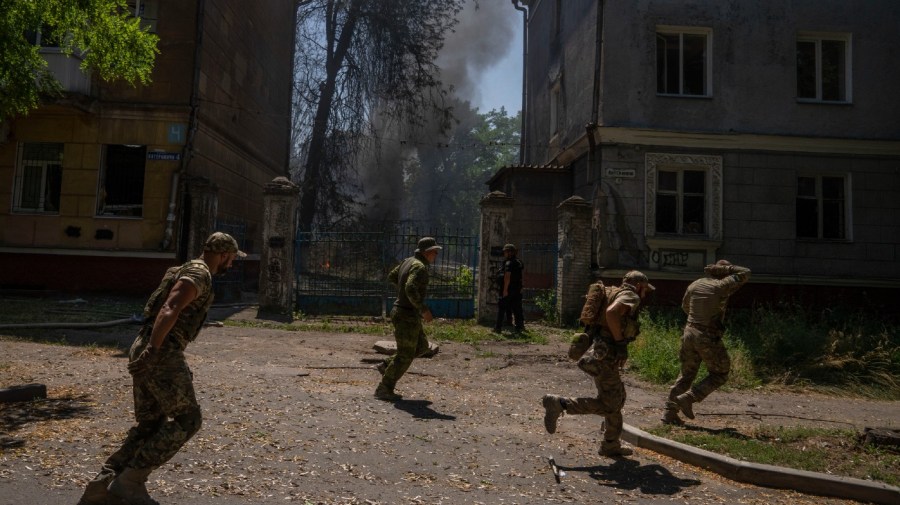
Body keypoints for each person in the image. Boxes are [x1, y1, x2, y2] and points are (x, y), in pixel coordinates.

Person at [77, 232, 245, 505]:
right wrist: (154, 352)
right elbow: (170, 308)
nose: (233, 264)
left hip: (150, 345)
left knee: (150, 424)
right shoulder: (199, 274)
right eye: (233, 258)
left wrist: (150, 350)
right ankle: (130, 482)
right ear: (224, 255)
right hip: (161, 350)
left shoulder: (187, 267)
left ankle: (102, 484)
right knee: (188, 420)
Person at [541, 271, 655, 457]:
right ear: (640, 285)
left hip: (598, 351)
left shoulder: (611, 292)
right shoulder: (630, 295)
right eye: (645, 290)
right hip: (606, 355)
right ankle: (560, 404)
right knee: (610, 404)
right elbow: (611, 313)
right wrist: (620, 344)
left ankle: (611, 445)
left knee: (617, 398)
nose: (644, 294)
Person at [662, 260, 751, 425]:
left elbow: (685, 306)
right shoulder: (722, 285)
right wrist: (727, 268)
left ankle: (669, 413)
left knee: (686, 374)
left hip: (689, 332)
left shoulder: (695, 284)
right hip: (707, 335)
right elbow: (745, 272)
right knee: (720, 373)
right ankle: (689, 398)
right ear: (723, 273)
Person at [374, 237, 441, 401]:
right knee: (405, 355)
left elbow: (392, 276)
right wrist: (423, 309)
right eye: (434, 252)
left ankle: (387, 365)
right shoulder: (420, 267)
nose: (436, 255)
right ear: (427, 252)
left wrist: (403, 292)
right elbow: (410, 287)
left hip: (404, 312)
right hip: (406, 314)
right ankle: (384, 388)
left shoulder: (408, 261)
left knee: (422, 346)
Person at [494, 243, 525, 333]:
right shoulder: (519, 262)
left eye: (505, 252)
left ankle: (498, 328)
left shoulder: (509, 263)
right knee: (517, 308)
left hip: (509, 288)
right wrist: (522, 286)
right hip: (517, 289)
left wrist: (505, 290)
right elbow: (522, 275)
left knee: (502, 308)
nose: (504, 254)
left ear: (509, 252)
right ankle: (519, 327)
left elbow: (507, 276)